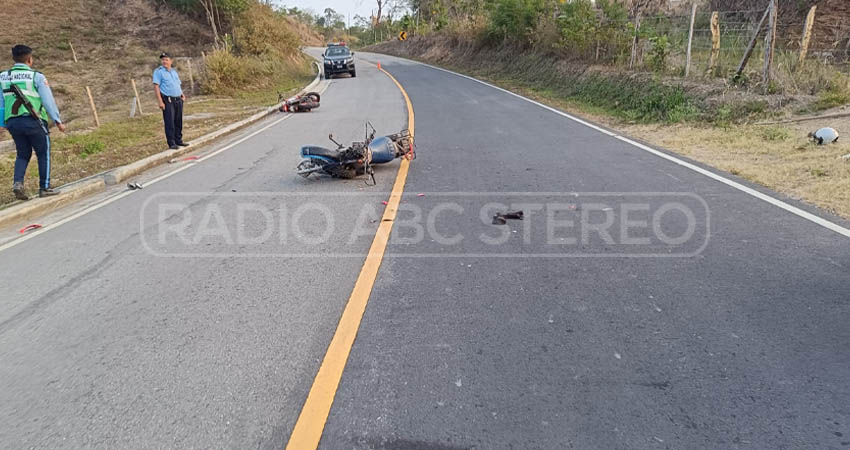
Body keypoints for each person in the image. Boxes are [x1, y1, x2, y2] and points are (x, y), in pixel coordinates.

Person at [0, 45, 66, 200]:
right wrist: (57, 120)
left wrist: (2, 123)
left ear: (14, 58)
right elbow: (48, 101)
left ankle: (18, 184)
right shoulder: (36, 76)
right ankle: (45, 187)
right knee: (43, 152)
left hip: (13, 123)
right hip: (34, 120)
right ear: (29, 59)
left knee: (22, 154)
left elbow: (1, 103)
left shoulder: (3, 77)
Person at [152, 52, 188, 150]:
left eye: (166, 59)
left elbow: (177, 84)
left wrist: (182, 94)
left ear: (171, 61)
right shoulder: (158, 72)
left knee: (178, 121)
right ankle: (171, 143)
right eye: (163, 60)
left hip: (178, 99)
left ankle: (179, 140)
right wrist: (160, 101)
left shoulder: (173, 72)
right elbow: (156, 86)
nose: (164, 61)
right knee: (170, 122)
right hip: (168, 100)